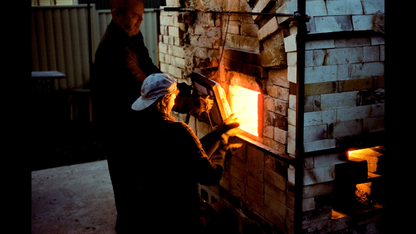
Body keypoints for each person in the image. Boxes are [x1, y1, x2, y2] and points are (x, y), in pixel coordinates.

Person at [90, 0, 214, 232]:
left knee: (142, 186)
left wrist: (181, 88)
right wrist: (189, 104)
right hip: (119, 129)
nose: (141, 20)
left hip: (130, 123)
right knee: (129, 187)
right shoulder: (116, 49)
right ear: (116, 14)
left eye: (142, 15)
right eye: (135, 16)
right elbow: (143, 86)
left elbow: (149, 68)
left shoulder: (130, 36)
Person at [127, 73, 239, 233]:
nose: (174, 101)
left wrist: (218, 132)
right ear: (165, 100)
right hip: (179, 216)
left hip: (148, 211)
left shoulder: (137, 129)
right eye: (174, 97)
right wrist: (226, 146)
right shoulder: (178, 132)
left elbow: (189, 155)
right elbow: (209, 176)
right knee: (223, 221)